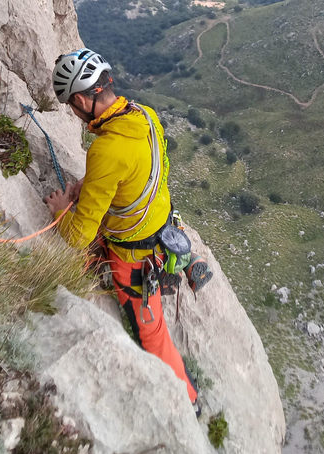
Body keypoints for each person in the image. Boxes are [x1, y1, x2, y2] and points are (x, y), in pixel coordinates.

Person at [44, 48, 212, 411]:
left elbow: (78, 236)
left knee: (149, 333)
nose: (73, 112)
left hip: (135, 255)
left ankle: (189, 400)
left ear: (80, 101)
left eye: (71, 106)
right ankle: (185, 257)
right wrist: (91, 185)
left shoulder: (106, 148)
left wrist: (60, 210)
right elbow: (146, 168)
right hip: (161, 220)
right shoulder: (145, 115)